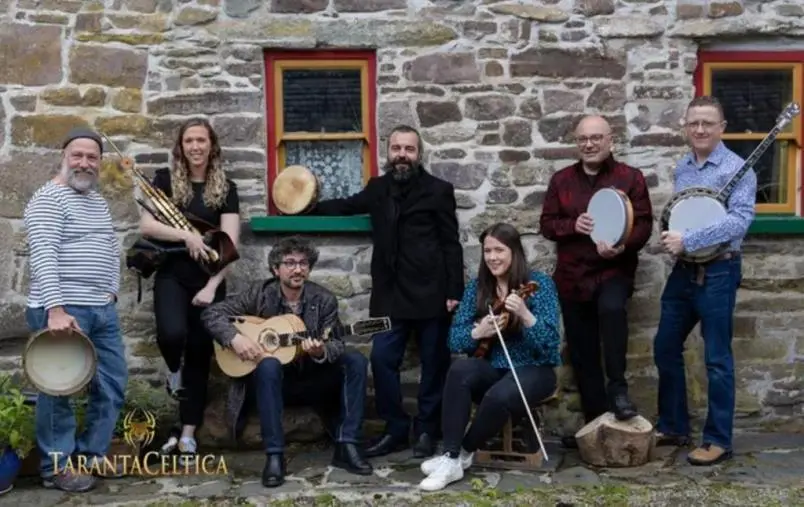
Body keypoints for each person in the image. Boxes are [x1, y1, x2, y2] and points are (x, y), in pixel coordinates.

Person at [311, 125, 464, 458]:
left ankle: (426, 430)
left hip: (432, 293)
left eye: (409, 149)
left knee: (434, 364)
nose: (402, 155)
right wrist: (304, 207)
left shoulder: (439, 190)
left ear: (418, 153)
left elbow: (451, 244)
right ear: (388, 152)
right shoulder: (378, 188)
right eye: (396, 148)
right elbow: (346, 206)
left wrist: (455, 290)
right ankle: (395, 428)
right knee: (381, 359)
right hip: (389, 296)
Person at [201, 237, 373, 487]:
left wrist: (319, 352)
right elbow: (211, 314)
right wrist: (235, 339)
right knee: (269, 364)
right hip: (270, 383)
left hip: (311, 379)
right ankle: (275, 456)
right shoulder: (259, 293)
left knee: (355, 360)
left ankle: (347, 445)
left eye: (303, 263)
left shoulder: (323, 299)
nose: (297, 269)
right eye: (290, 263)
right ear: (275, 269)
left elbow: (336, 343)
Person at [417, 223, 561, 491]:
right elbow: (454, 339)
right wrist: (477, 333)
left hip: (535, 368)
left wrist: (526, 316)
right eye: (487, 251)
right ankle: (450, 455)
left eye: (499, 250)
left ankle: (462, 453)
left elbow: (551, 343)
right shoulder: (477, 288)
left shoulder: (539, 284)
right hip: (494, 365)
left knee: (499, 395)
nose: (493, 257)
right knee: (460, 370)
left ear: (514, 252)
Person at [23, 128, 128, 492]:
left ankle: (90, 456)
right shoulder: (48, 199)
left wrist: (112, 292)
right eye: (77, 155)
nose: (85, 163)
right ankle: (57, 469)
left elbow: (109, 247)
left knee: (112, 384)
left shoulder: (96, 201)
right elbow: (43, 257)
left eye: (92, 157)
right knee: (58, 393)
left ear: (100, 162)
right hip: (63, 311)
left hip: (101, 310)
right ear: (63, 157)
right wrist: (55, 309)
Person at [539, 115, 653, 448]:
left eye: (596, 138)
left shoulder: (630, 178)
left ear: (610, 140)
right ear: (577, 143)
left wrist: (621, 245)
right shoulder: (561, 180)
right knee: (583, 351)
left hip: (613, 270)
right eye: (583, 139)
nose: (589, 144)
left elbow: (644, 224)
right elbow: (547, 224)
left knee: (612, 309)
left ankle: (618, 391)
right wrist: (573, 225)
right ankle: (594, 427)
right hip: (573, 277)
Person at [654, 95, 756, 466]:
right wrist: (673, 238)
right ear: (685, 126)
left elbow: (738, 222)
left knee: (717, 359)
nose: (699, 129)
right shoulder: (684, 167)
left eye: (707, 123)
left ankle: (717, 440)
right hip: (684, 271)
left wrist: (689, 240)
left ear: (721, 128)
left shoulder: (739, 168)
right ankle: (674, 425)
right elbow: (685, 213)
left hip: (720, 271)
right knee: (664, 346)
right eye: (693, 123)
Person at [137, 118, 241, 464]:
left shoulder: (226, 188)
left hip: (208, 281)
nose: (195, 146)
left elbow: (230, 247)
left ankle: (188, 434)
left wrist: (212, 287)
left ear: (212, 145)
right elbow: (147, 225)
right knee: (172, 333)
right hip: (171, 275)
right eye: (189, 141)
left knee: (199, 353)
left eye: (201, 140)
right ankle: (172, 371)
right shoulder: (165, 182)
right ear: (180, 147)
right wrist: (186, 236)